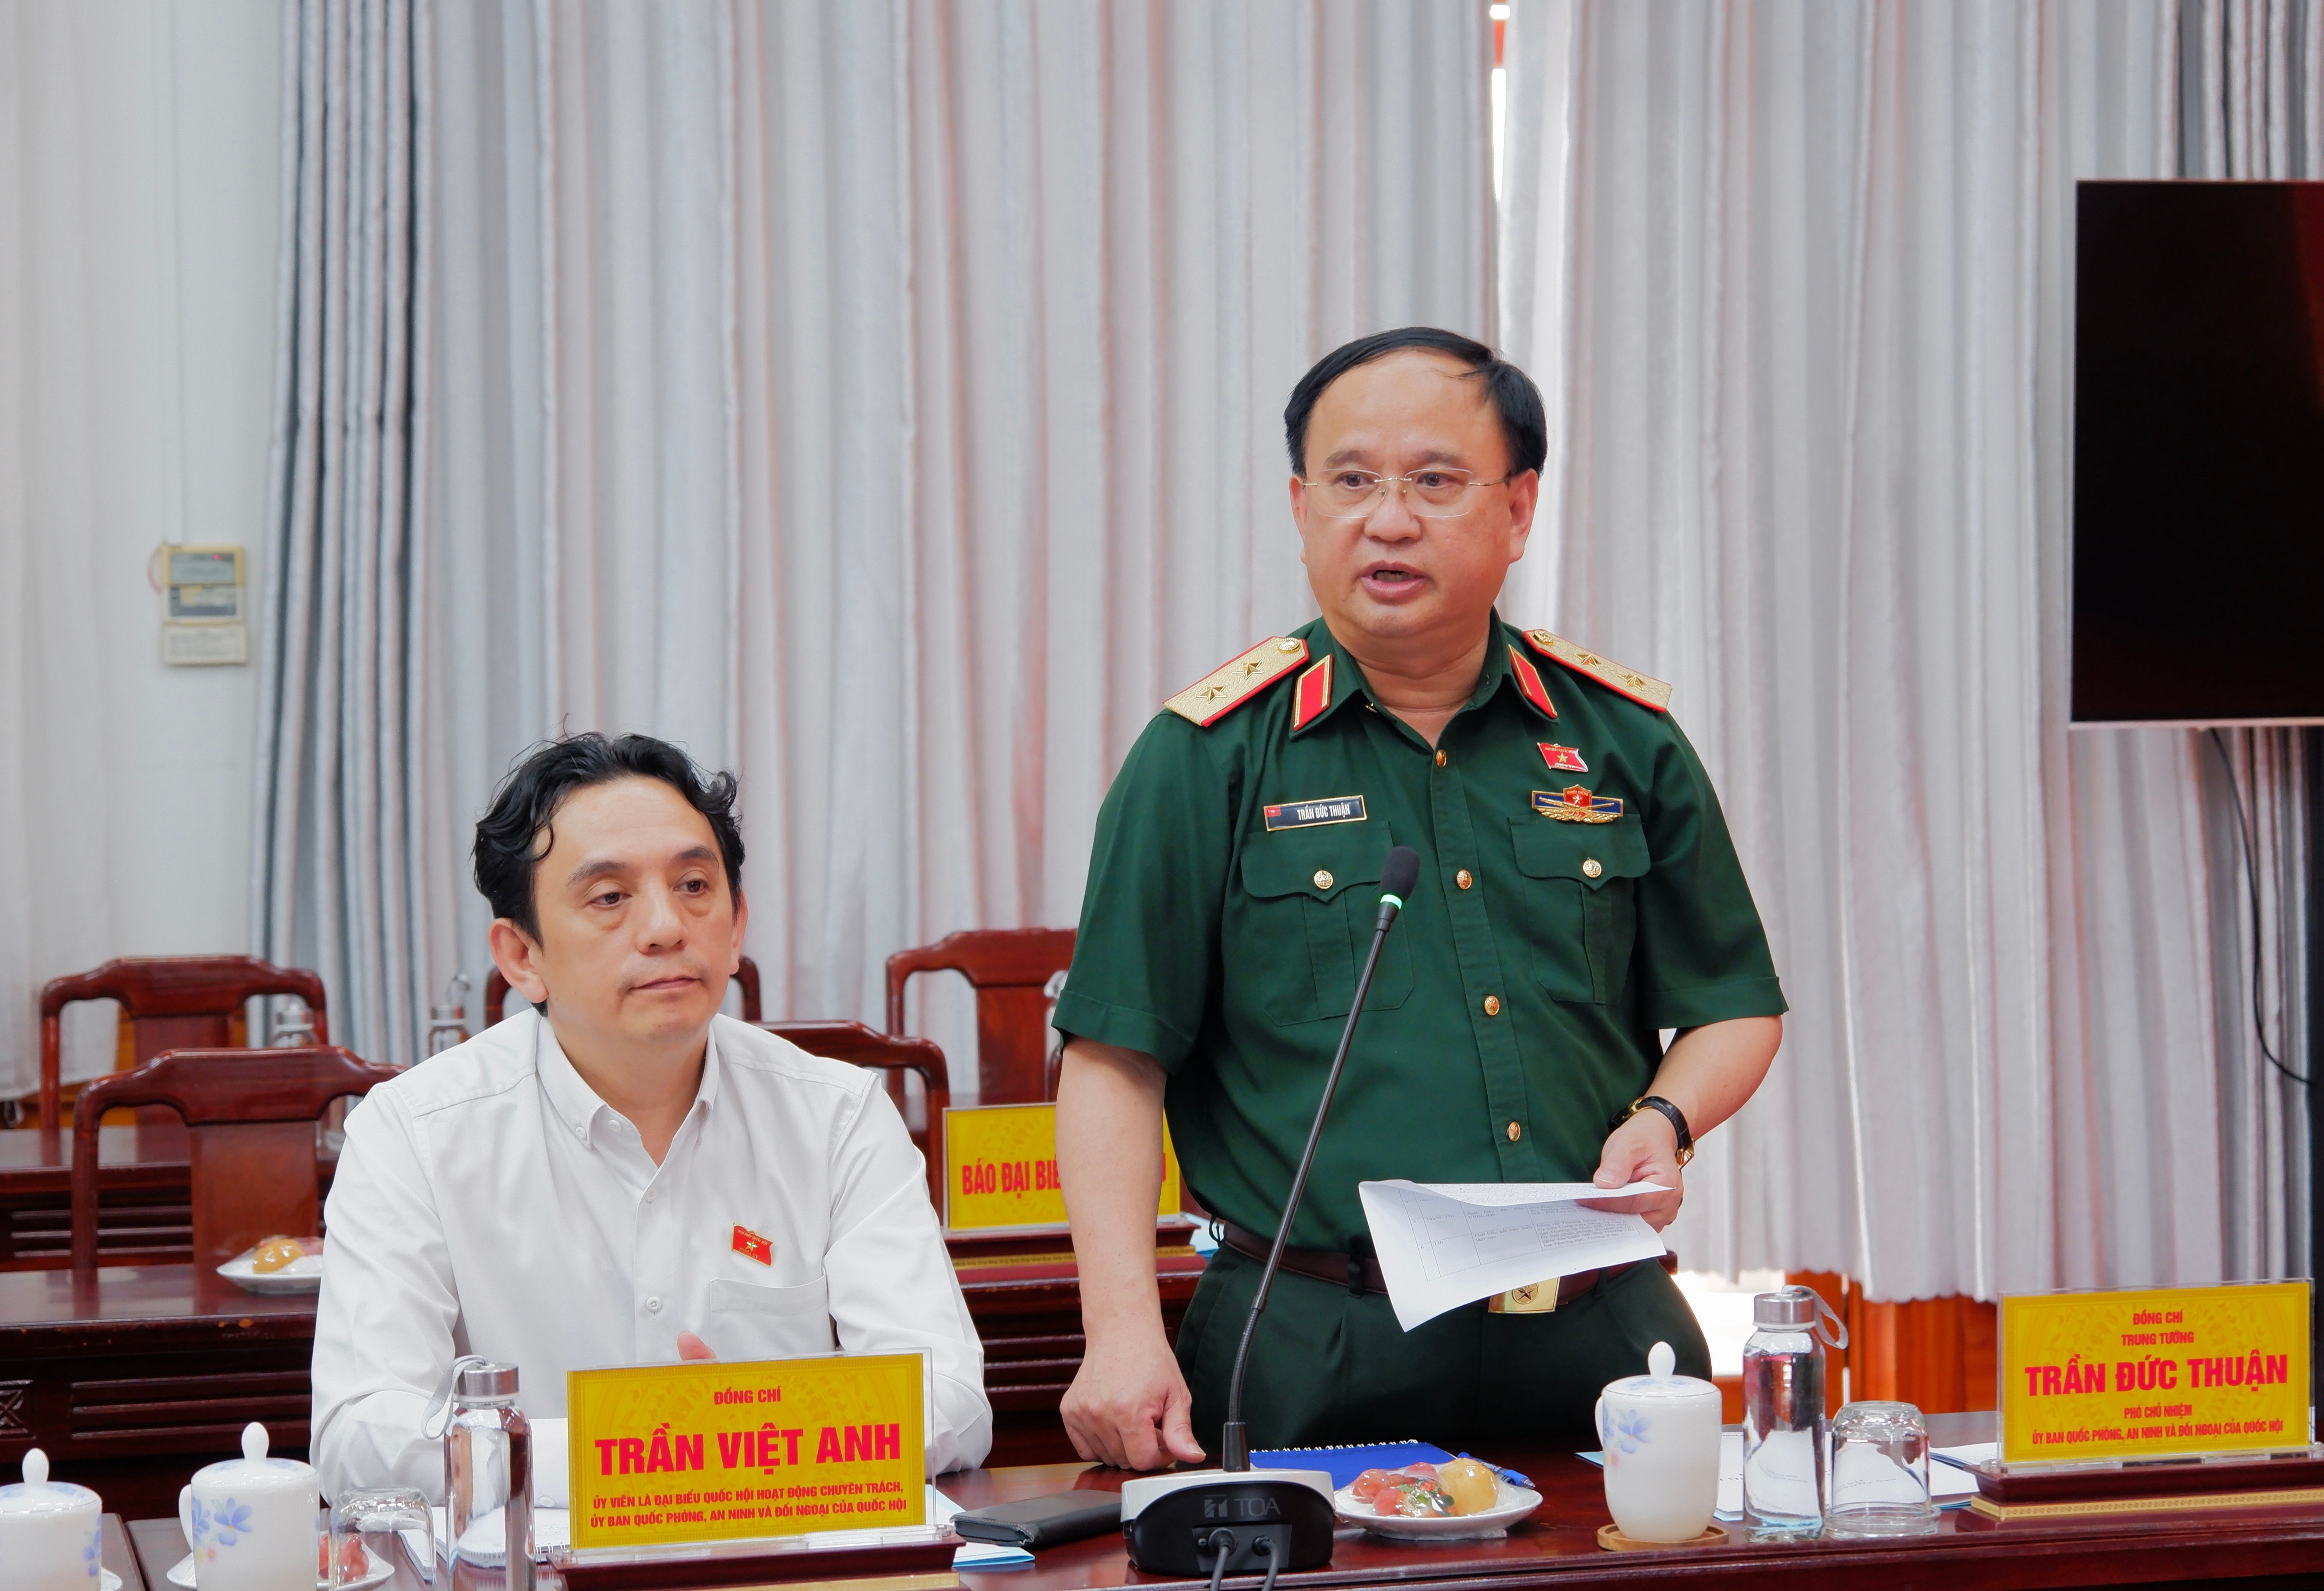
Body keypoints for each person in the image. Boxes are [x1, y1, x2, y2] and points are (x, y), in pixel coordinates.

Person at [1051, 328, 1785, 1470]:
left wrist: (1667, 1117)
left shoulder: (1622, 738)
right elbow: (1113, 1056)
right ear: (1301, 506)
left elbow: (1734, 1003)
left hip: (1599, 1328)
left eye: (1436, 481)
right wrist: (1120, 1329)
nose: (1388, 520)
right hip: (1315, 1341)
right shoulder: (1206, 755)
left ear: (1519, 507)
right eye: (1352, 482)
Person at [311, 733, 991, 1497]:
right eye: (610, 897)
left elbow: (949, 1398)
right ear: (522, 956)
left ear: (736, 926)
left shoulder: (838, 1116)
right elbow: (360, 1433)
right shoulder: (413, 1134)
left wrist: (733, 1437)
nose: (667, 926)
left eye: (695, 885)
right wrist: (648, 1453)